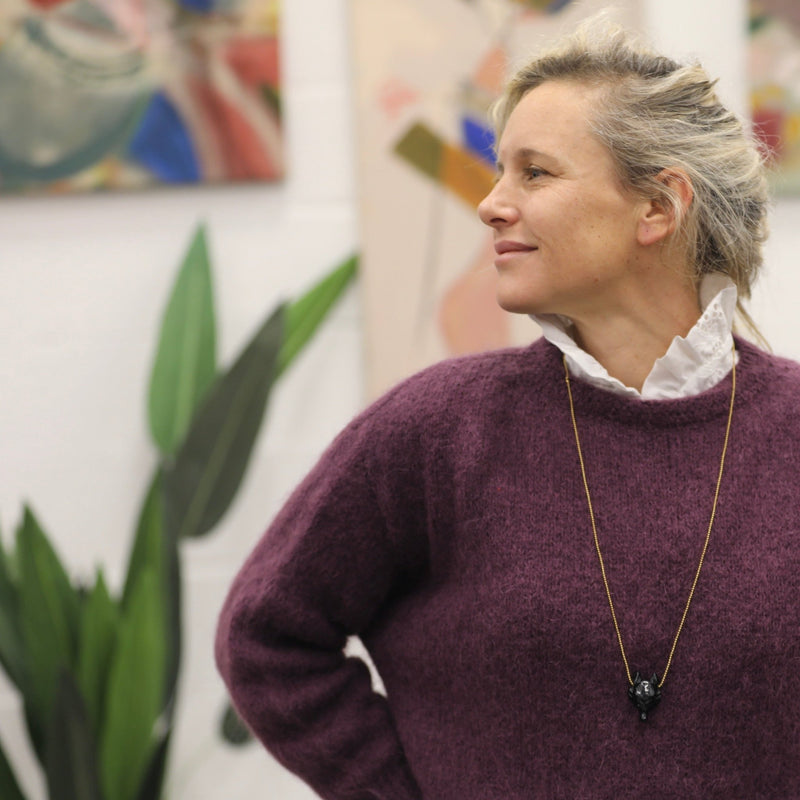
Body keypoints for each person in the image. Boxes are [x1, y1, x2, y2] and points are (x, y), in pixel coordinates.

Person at [215, 19, 800, 800]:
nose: (492, 205)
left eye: (535, 173)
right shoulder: (435, 431)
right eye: (500, 172)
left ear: (658, 207)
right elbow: (266, 637)